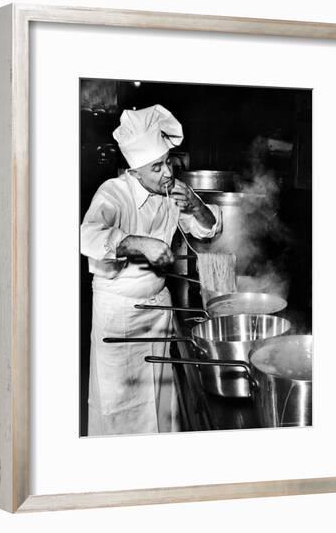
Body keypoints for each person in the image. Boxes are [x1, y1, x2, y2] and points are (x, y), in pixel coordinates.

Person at [81, 104, 221, 436]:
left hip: (158, 309)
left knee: (161, 400)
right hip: (121, 314)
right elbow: (87, 235)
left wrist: (196, 206)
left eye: (169, 162)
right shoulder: (113, 193)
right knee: (120, 404)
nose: (168, 173)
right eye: (156, 167)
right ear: (135, 171)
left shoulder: (171, 190)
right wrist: (139, 243)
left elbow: (208, 229)